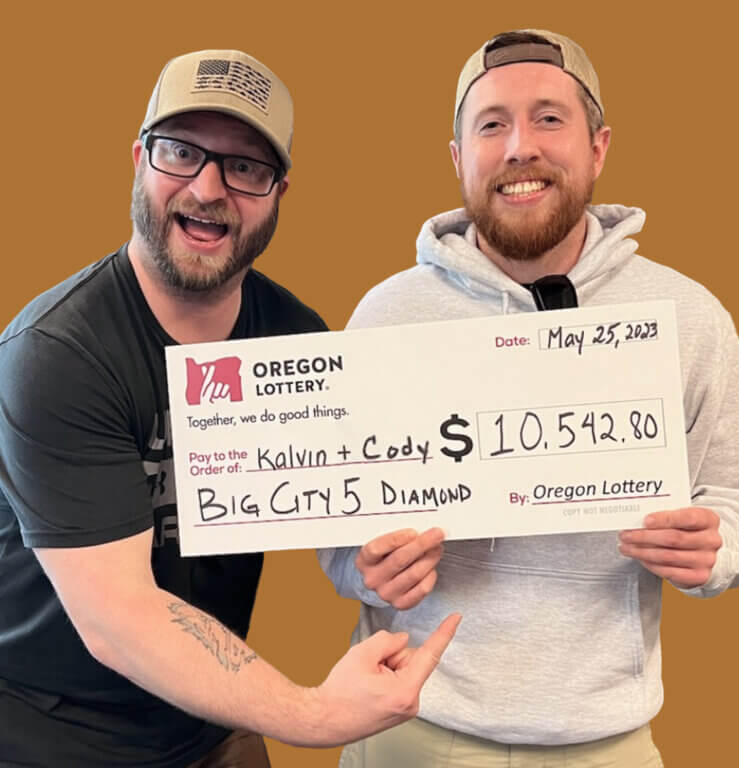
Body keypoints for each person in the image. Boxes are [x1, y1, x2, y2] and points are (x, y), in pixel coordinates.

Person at [319, 29, 739, 767]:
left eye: (549, 119)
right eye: (491, 124)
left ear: (598, 147)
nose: (519, 147)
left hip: (606, 741)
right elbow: (335, 525)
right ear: (459, 158)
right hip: (412, 726)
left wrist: (717, 545)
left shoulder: (688, 317)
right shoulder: (387, 316)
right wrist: (363, 566)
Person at [0, 49, 459, 768]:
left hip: (210, 717)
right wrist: (314, 714)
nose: (209, 188)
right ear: (140, 161)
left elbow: (332, 523)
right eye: (182, 152)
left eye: (245, 166)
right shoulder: (57, 352)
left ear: (278, 192)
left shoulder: (297, 340)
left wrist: (371, 564)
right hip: (46, 735)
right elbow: (118, 618)